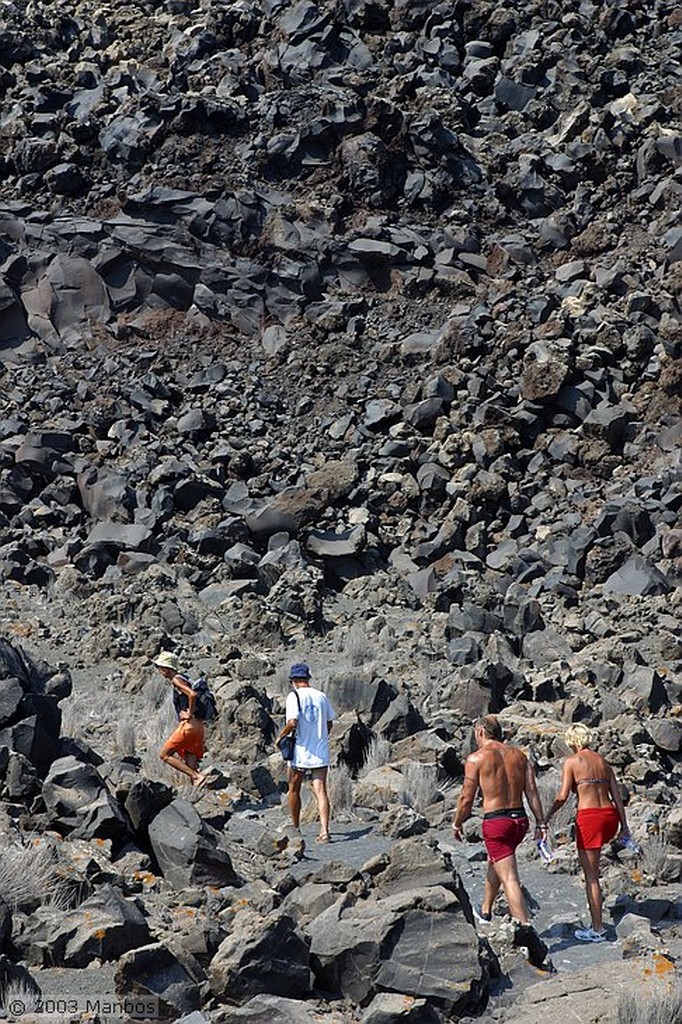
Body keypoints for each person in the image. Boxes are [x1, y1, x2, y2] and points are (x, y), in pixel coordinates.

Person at [452, 715, 547, 926]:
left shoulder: (476, 759)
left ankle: (526, 932)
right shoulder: (519, 756)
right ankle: (486, 910)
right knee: (496, 860)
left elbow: (466, 798)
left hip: (497, 822)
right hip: (520, 821)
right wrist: (541, 822)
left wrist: (457, 823)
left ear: (480, 732)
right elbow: (532, 792)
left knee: (510, 878)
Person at [546, 723, 629, 943]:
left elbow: (563, 796)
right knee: (596, 869)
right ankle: (598, 921)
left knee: (592, 877)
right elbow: (617, 797)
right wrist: (625, 827)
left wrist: (548, 815)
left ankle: (598, 928)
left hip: (590, 817)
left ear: (573, 741)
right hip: (609, 816)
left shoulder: (572, 762)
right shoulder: (603, 762)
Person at [275, 663, 335, 843]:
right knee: (321, 790)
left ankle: (295, 827)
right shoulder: (321, 696)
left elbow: (293, 722)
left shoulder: (293, 696)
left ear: (293, 680)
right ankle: (324, 831)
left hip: (300, 750)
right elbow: (330, 722)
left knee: (294, 789)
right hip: (320, 749)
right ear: (307, 678)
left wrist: (281, 735)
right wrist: (322, 736)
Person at [154, 651, 208, 789]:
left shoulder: (176, 680)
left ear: (166, 668)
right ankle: (196, 790)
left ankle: (197, 776)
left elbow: (192, 694)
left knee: (164, 755)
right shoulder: (185, 678)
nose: (159, 671)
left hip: (188, 726)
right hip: (199, 727)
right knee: (190, 757)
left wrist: (189, 712)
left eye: (160, 667)